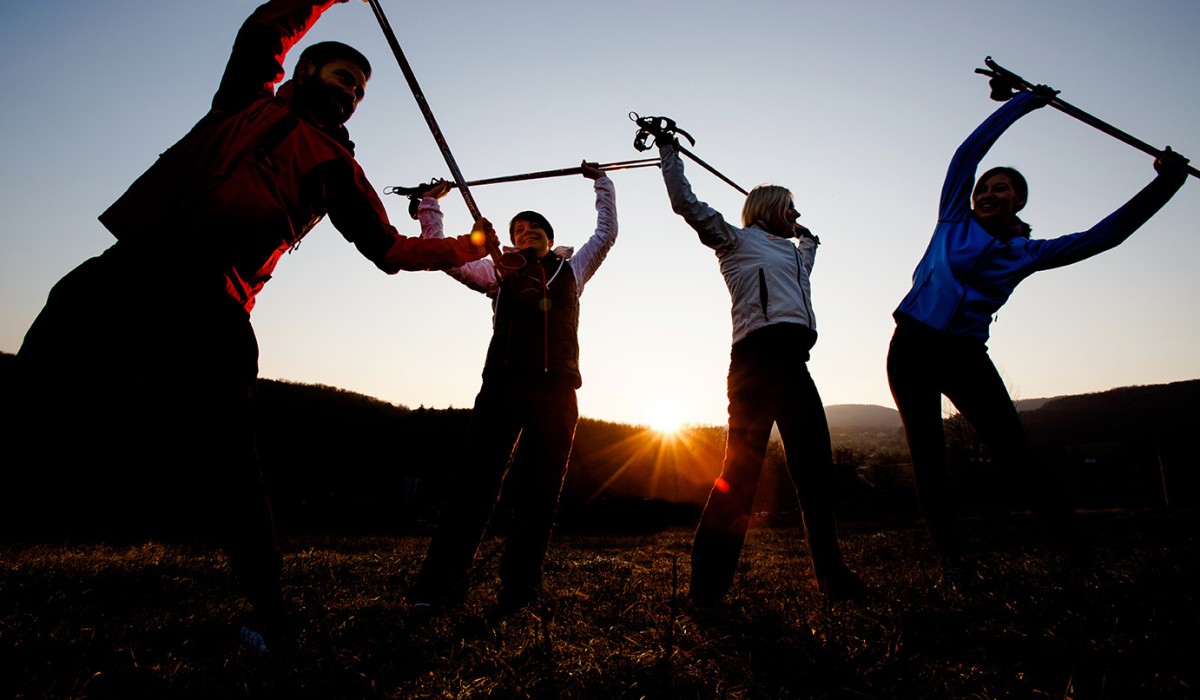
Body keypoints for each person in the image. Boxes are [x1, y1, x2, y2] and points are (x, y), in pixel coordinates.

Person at [8, 0, 495, 649]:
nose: (350, 91)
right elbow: (265, 29)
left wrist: (466, 246)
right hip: (141, 260)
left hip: (215, 297)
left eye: (359, 88)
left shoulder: (338, 167)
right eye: (341, 76)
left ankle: (270, 614)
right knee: (41, 373)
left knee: (230, 460)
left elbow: (391, 250)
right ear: (307, 70)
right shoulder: (246, 99)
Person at [887, 84, 1190, 586]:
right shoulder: (952, 220)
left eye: (1001, 189)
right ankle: (953, 564)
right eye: (984, 187)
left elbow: (1105, 236)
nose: (988, 194)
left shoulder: (1028, 253)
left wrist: (1167, 184)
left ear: (1018, 201)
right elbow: (968, 154)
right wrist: (1025, 102)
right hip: (912, 346)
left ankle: (1081, 556)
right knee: (928, 454)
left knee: (1017, 454)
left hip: (965, 354)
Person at [653, 134, 866, 606]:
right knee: (740, 475)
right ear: (768, 207)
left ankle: (833, 579)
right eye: (790, 207)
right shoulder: (735, 241)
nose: (797, 214)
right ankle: (706, 592)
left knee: (815, 473)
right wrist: (669, 152)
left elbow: (808, 248)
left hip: (795, 364)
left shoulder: (797, 252)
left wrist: (808, 237)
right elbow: (685, 204)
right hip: (755, 363)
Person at [408, 161, 617, 616]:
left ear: (548, 235)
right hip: (502, 388)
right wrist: (430, 205)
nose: (526, 232)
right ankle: (438, 587)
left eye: (534, 228)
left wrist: (601, 182)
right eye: (518, 229)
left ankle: (520, 593)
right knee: (474, 488)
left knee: (540, 495)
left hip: (557, 393)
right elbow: (442, 255)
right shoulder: (497, 273)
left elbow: (605, 234)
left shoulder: (572, 271)